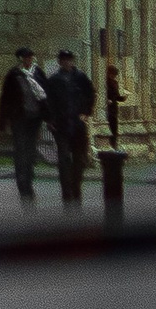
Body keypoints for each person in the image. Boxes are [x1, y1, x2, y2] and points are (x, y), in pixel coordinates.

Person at [44, 46, 95, 208]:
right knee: (64, 158)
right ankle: (67, 193)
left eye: (69, 60)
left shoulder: (80, 77)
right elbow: (48, 101)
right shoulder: (54, 80)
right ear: (60, 62)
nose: (66, 62)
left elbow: (91, 94)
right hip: (61, 124)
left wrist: (87, 112)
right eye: (63, 60)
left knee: (79, 159)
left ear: (72, 61)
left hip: (78, 124)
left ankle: (76, 189)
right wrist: (50, 119)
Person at [0, 46, 47, 200]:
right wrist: (3, 119)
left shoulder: (38, 73)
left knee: (31, 150)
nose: (28, 60)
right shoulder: (14, 75)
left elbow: (46, 95)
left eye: (30, 57)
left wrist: (49, 116)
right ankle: (22, 183)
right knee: (20, 149)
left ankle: (29, 178)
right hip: (19, 117)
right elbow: (6, 97)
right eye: (25, 57)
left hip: (35, 118)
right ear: (20, 59)